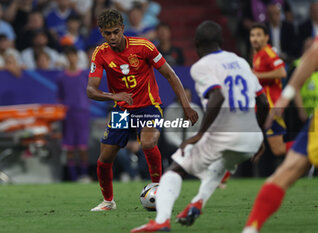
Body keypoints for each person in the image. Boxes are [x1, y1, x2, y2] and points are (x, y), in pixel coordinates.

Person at [131, 20, 269, 232]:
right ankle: (197, 203)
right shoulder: (240, 61)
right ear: (221, 41)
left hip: (225, 133)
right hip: (251, 137)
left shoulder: (201, 66)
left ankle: (161, 222)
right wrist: (258, 133)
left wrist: (200, 134)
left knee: (174, 170)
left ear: (196, 44)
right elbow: (263, 102)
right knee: (219, 166)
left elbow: (218, 96)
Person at [86, 9, 198, 211]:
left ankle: (158, 190)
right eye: (107, 33)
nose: (112, 37)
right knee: (104, 159)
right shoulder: (100, 53)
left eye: (116, 32)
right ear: (101, 32)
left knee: (147, 142)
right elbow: (91, 90)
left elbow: (171, 76)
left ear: (123, 28)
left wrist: (186, 106)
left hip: (148, 105)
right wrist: (114, 96)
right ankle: (108, 201)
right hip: (121, 110)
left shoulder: (143, 46)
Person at [241, 36, 318, 233]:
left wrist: (284, 98)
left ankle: (251, 229)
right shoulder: (259, 56)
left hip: (274, 109)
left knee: (285, 166)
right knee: (282, 158)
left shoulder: (267, 56)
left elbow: (311, 55)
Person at [250, 23, 292, 156]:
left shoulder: (268, 53)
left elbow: (282, 72)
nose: (255, 38)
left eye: (258, 35)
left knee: (278, 149)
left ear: (266, 37)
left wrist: (256, 75)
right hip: (263, 107)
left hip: (272, 107)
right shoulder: (257, 54)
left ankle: (308, 146)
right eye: (252, 35)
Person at [57, 46, 91, 182]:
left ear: (77, 57)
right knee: (69, 148)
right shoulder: (61, 77)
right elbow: (60, 97)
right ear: (66, 58)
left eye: (73, 55)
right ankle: (73, 177)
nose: (71, 58)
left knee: (83, 147)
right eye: (69, 56)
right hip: (68, 115)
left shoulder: (85, 75)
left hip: (82, 114)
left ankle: (83, 176)